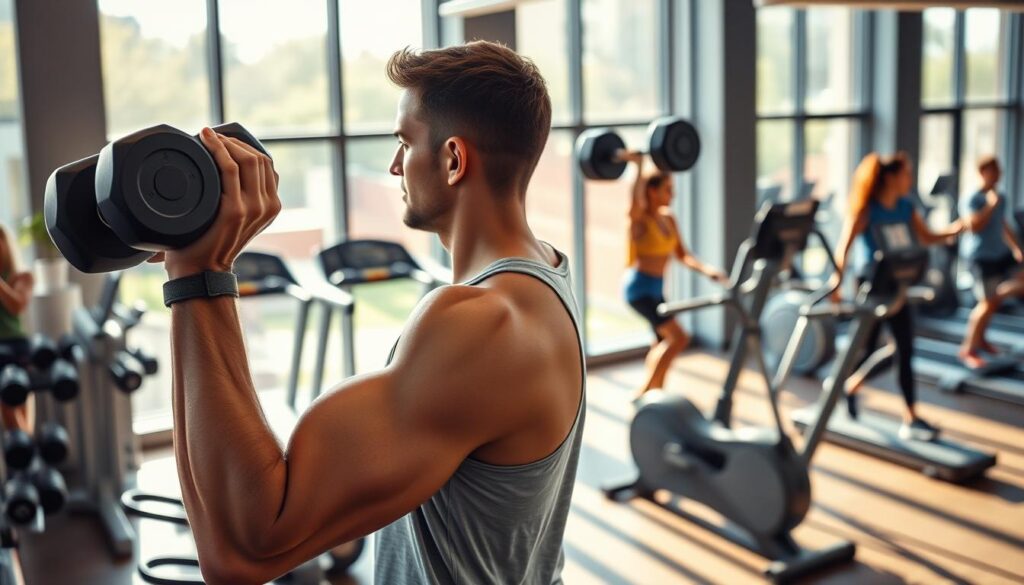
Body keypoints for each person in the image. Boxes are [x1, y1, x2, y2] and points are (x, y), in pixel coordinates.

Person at [155, 41, 584, 585]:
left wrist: (200, 275)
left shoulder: (483, 323)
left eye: (405, 141)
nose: (394, 164)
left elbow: (242, 547)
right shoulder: (543, 274)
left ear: (453, 160)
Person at [832, 152, 962, 441]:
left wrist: (955, 229)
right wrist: (837, 283)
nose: (909, 179)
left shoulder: (906, 206)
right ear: (891, 177)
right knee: (866, 349)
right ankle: (846, 386)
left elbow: (927, 237)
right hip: (873, 285)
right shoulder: (867, 210)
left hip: (898, 283)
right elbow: (844, 247)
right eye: (906, 173)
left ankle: (910, 417)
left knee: (904, 350)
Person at [621, 154, 726, 401]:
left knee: (661, 342)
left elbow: (683, 255)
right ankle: (645, 391)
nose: (673, 195)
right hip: (639, 291)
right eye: (668, 190)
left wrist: (707, 270)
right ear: (652, 192)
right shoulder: (640, 222)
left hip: (657, 291)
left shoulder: (669, 219)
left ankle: (656, 391)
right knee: (679, 338)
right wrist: (637, 167)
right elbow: (634, 204)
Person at [958, 156, 1024, 369]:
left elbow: (1003, 224)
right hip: (980, 256)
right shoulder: (973, 197)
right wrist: (990, 205)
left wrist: (1016, 248)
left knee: (995, 300)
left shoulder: (1001, 196)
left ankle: (982, 339)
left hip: (1000, 254)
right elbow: (975, 225)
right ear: (983, 172)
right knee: (986, 303)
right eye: (993, 171)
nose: (997, 175)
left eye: (999, 171)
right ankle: (968, 348)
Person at [0, 224, 35, 433]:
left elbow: (17, 306)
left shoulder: (22, 277)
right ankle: (22, 450)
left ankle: (25, 448)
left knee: (14, 398)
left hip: (14, 345)